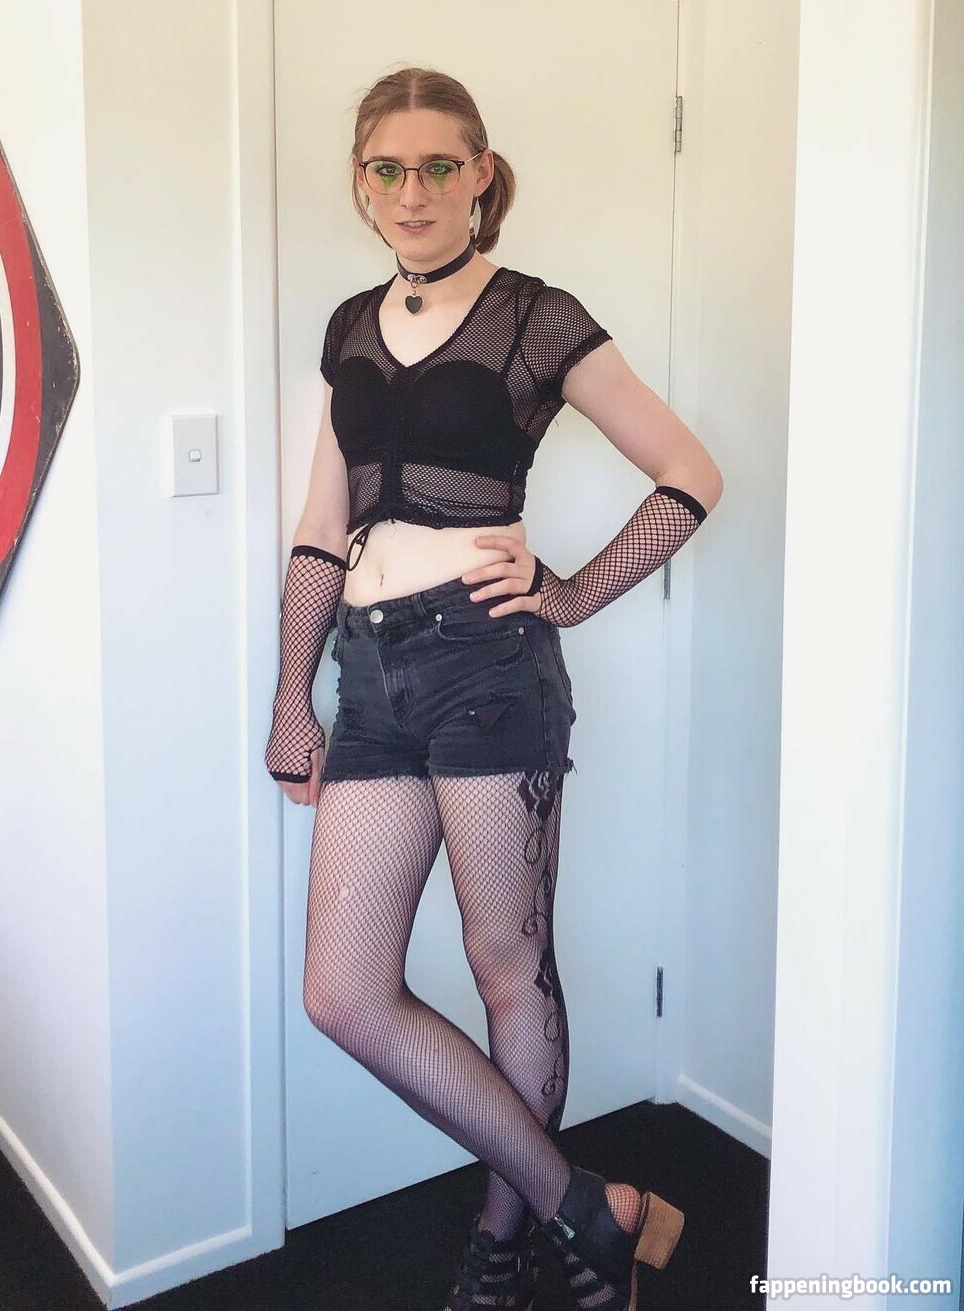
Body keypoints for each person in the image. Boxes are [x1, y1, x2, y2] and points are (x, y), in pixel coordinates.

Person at [266, 66, 722, 1311]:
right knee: (343, 993)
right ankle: (593, 1208)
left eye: (437, 166)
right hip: (369, 673)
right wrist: (293, 695)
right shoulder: (350, 326)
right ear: (361, 181)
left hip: (486, 668)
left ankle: (504, 1240)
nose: (411, 191)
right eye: (387, 168)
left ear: (479, 175)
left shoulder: (535, 316)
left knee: (506, 964)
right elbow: (320, 528)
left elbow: (690, 473)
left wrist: (570, 593)